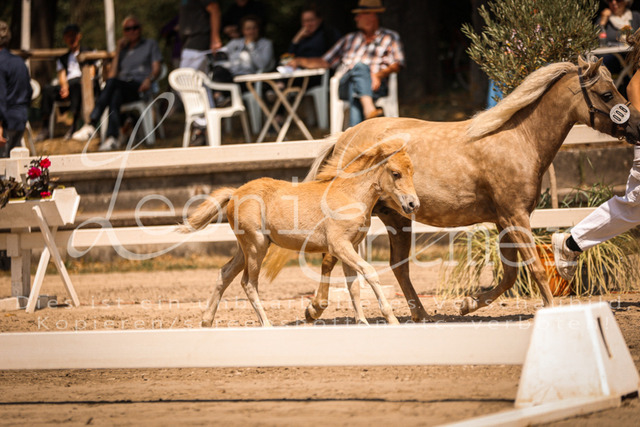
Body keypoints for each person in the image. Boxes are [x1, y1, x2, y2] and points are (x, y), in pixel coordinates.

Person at [553, 28, 640, 281]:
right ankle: (572, 242)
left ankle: (572, 242)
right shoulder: (636, 83)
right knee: (633, 206)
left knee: (634, 207)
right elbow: (637, 118)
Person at [288, 0, 404, 127]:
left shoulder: (390, 37)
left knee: (354, 88)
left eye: (359, 15)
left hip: (376, 86)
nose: (356, 18)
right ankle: (369, 109)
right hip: (345, 83)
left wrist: (378, 75)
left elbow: (397, 63)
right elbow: (325, 61)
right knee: (359, 67)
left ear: (372, 15)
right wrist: (299, 61)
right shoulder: (349, 39)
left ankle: (355, 130)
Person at [72, 16, 162, 151]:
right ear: (124, 32)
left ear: (140, 29)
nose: (132, 31)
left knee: (113, 85)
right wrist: (118, 50)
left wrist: (150, 79)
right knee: (115, 93)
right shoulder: (123, 50)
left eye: (135, 27)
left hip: (140, 87)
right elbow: (112, 75)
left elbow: (157, 68)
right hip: (121, 87)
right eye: (128, 29)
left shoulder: (150, 44)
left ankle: (92, 123)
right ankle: (112, 138)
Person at [36, 24, 95, 142]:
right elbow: (61, 75)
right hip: (68, 85)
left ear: (79, 36)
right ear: (64, 39)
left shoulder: (88, 52)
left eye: (73, 35)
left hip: (82, 84)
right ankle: (45, 126)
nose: (71, 38)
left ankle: (74, 124)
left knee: (77, 85)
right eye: (68, 36)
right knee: (47, 89)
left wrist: (84, 81)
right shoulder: (63, 58)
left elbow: (92, 71)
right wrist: (64, 87)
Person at [0, 20, 32, 158]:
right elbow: (29, 91)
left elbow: (0, 97)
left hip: (5, 122)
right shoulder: (19, 61)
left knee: (3, 164)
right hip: (20, 118)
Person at [179, 0, 222, 71]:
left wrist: (215, 39)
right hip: (188, 42)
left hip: (199, 41)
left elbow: (214, 10)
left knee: (185, 76)